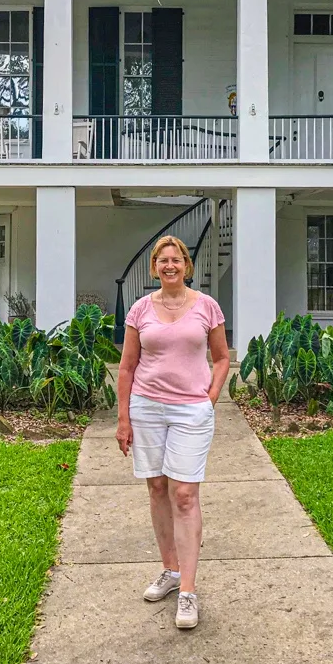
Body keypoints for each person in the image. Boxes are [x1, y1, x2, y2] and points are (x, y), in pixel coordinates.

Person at [115, 234, 230, 629]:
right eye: (162, 260)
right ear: (154, 267)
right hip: (146, 407)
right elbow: (127, 367)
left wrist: (209, 398)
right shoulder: (140, 309)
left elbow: (221, 358)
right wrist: (123, 418)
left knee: (184, 494)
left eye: (176, 259)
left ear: (186, 265)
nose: (169, 265)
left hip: (190, 412)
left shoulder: (206, 306)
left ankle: (188, 592)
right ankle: (171, 571)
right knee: (157, 488)